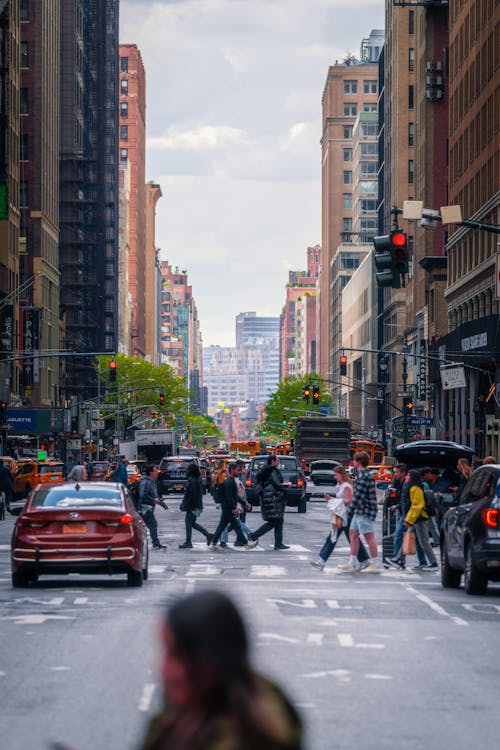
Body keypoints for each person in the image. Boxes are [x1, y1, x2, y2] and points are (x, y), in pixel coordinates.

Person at [137, 590, 303, 750]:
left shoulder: (241, 738)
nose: (162, 668)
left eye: (175, 655)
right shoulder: (184, 718)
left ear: (209, 662)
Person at [310, 465, 369, 571]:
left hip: (345, 515)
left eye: (336, 475)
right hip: (341, 515)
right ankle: (364, 560)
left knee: (336, 537)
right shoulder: (342, 485)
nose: (335, 477)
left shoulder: (346, 486)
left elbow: (349, 500)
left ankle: (322, 561)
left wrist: (332, 499)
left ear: (341, 474)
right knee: (346, 538)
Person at [340, 451, 380, 572]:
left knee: (369, 537)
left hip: (364, 510)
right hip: (360, 511)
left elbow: (358, 497)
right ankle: (352, 562)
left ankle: (375, 564)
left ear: (358, 462)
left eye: (354, 460)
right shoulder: (364, 475)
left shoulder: (363, 476)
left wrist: (348, 510)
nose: (353, 462)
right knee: (353, 534)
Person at [386, 464, 428, 570]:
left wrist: (408, 518)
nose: (395, 474)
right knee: (417, 540)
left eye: (397, 472)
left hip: (409, 516)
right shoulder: (402, 483)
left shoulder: (409, 485)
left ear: (404, 474)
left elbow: (412, 503)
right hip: (409, 515)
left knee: (399, 536)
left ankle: (398, 560)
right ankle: (420, 561)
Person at [247, 455, 290, 550]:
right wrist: (286, 486)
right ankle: (253, 536)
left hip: (268, 497)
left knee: (278, 521)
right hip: (273, 498)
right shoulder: (272, 471)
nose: (279, 462)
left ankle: (278, 544)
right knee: (274, 521)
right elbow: (276, 484)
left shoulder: (266, 470)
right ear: (273, 461)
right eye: (278, 460)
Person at [210, 462, 252, 548]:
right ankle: (245, 542)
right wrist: (233, 508)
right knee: (236, 526)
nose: (239, 472)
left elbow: (235, 496)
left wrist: (243, 503)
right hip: (228, 508)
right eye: (237, 470)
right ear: (232, 470)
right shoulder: (229, 482)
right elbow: (229, 497)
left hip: (227, 508)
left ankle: (214, 541)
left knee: (223, 526)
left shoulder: (231, 481)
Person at [403, 468, 438, 570]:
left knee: (424, 542)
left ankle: (434, 563)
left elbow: (417, 505)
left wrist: (408, 520)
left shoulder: (415, 488)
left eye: (408, 475)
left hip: (420, 518)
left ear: (412, 477)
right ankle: (399, 559)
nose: (406, 477)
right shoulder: (414, 487)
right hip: (417, 518)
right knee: (408, 537)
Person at [179, 463, 212, 548]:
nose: (186, 471)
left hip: (193, 506)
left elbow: (192, 495)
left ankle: (188, 542)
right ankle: (208, 535)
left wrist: (186, 505)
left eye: (188, 470)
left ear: (191, 471)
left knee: (188, 523)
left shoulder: (193, 481)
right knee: (192, 523)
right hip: (196, 506)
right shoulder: (195, 479)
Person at [138, 464, 168, 550]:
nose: (157, 473)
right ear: (151, 472)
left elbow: (155, 496)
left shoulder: (151, 482)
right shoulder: (145, 482)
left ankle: (153, 542)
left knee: (142, 526)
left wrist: (162, 504)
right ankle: (155, 543)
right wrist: (153, 500)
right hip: (144, 508)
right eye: (155, 471)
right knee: (152, 524)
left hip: (148, 508)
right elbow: (142, 495)